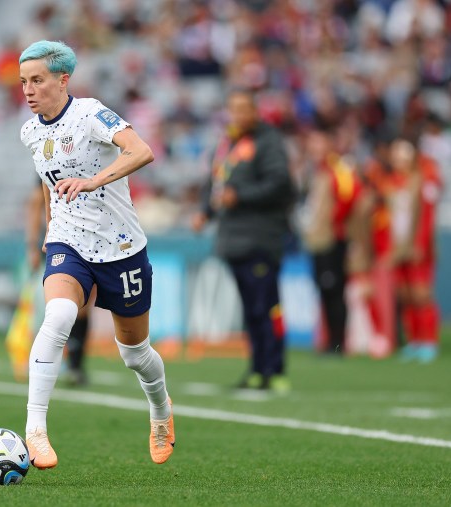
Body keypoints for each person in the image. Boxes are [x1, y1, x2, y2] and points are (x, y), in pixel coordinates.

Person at [18, 40, 174, 469]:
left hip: (121, 247)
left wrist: (92, 181)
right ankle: (35, 430)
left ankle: (160, 411)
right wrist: (46, 236)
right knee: (60, 316)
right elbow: (49, 189)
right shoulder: (30, 131)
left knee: (135, 354)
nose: (28, 90)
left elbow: (141, 150)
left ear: (62, 79)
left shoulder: (90, 113)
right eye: (23, 82)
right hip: (68, 243)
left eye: (37, 80)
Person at [192, 88, 294, 392]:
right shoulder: (226, 145)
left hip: (261, 238)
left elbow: (280, 184)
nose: (238, 115)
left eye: (243, 108)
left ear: (255, 111)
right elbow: (215, 186)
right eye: (233, 108)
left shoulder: (269, 142)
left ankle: (274, 370)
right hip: (235, 240)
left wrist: (242, 196)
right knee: (251, 309)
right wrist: (205, 212)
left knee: (267, 306)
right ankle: (256, 368)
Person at [301, 128, 362, 355]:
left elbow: (350, 195)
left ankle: (338, 343)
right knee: (325, 291)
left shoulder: (339, 168)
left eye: (319, 143)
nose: (314, 148)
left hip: (333, 240)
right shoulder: (316, 170)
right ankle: (330, 341)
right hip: (318, 240)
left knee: (335, 291)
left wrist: (334, 222)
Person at [26, 183, 93, 386]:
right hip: (57, 245)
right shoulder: (49, 164)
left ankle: (75, 363)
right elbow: (36, 202)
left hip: (88, 241)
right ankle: (44, 363)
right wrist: (31, 245)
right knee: (54, 307)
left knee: (82, 308)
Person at [386, 139, 442, 362]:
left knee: (421, 294)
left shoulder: (423, 181)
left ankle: (429, 340)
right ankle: (414, 340)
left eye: (402, 157)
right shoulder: (392, 183)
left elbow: (427, 216)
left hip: (418, 247)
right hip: (399, 246)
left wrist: (421, 244)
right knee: (406, 294)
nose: (398, 162)